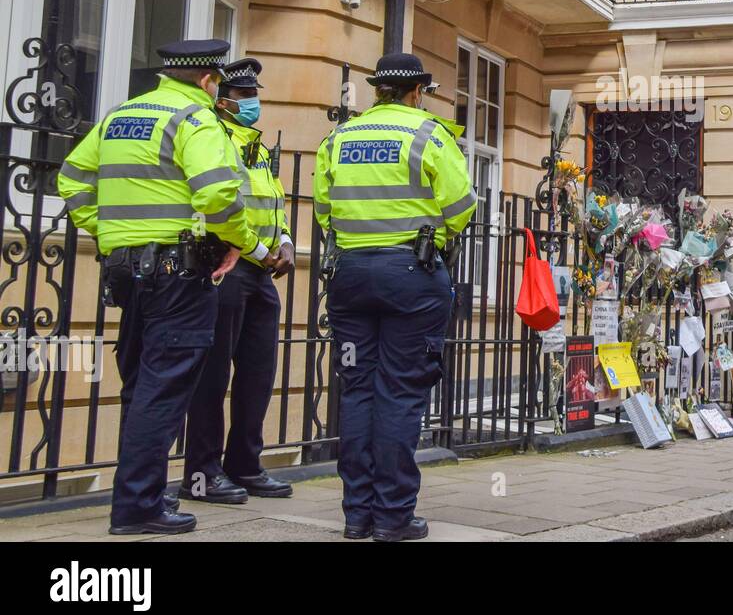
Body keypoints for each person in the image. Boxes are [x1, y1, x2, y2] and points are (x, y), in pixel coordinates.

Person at [58, 39, 272, 535]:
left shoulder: (119, 116)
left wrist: (111, 232)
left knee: (140, 386)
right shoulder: (195, 120)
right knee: (164, 389)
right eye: (219, 82)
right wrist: (245, 244)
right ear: (207, 80)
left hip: (126, 268)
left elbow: (71, 180)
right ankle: (138, 508)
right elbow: (218, 192)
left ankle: (136, 500)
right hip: (178, 272)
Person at [314, 52, 475, 541]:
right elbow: (462, 205)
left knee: (358, 389)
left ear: (378, 89)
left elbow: (324, 210)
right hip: (412, 274)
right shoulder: (429, 134)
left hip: (350, 275)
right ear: (416, 91)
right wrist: (433, 238)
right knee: (401, 393)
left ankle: (356, 515)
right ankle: (393, 516)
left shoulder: (340, 137)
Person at [181, 58, 295, 504]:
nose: (253, 102)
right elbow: (216, 203)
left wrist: (284, 240)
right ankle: (202, 473)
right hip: (223, 264)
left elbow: (274, 200)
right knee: (212, 374)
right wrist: (259, 250)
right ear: (222, 97)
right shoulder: (213, 136)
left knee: (258, 372)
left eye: (254, 94)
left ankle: (245, 464)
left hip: (262, 268)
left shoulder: (258, 146)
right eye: (244, 95)